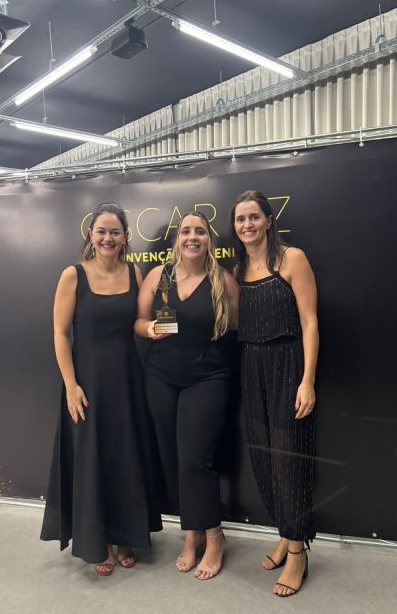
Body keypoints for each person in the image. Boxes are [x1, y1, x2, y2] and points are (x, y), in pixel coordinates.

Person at [40, 202, 162, 576]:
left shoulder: (135, 273)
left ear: (125, 237)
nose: (108, 238)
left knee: (126, 456)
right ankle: (99, 542)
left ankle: (127, 536)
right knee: (92, 459)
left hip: (127, 381)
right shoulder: (73, 275)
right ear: (91, 235)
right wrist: (71, 385)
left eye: (115, 232)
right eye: (102, 231)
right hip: (87, 384)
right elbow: (60, 335)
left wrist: (156, 328)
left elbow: (140, 321)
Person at [135, 211, 239, 581]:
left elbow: (235, 328)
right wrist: (149, 328)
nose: (192, 237)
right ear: (177, 239)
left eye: (200, 231)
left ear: (209, 240)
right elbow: (138, 321)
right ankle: (191, 533)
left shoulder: (222, 280)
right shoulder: (158, 276)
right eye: (185, 231)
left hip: (206, 378)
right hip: (160, 377)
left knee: (196, 458)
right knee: (173, 457)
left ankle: (214, 535)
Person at [231, 190, 319, 598]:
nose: (247, 224)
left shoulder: (292, 259)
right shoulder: (237, 269)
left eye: (253, 217)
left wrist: (307, 380)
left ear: (268, 220)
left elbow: (310, 321)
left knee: (288, 462)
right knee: (263, 459)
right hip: (251, 366)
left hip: (288, 364)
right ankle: (285, 533)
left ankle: (298, 552)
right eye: (240, 219)